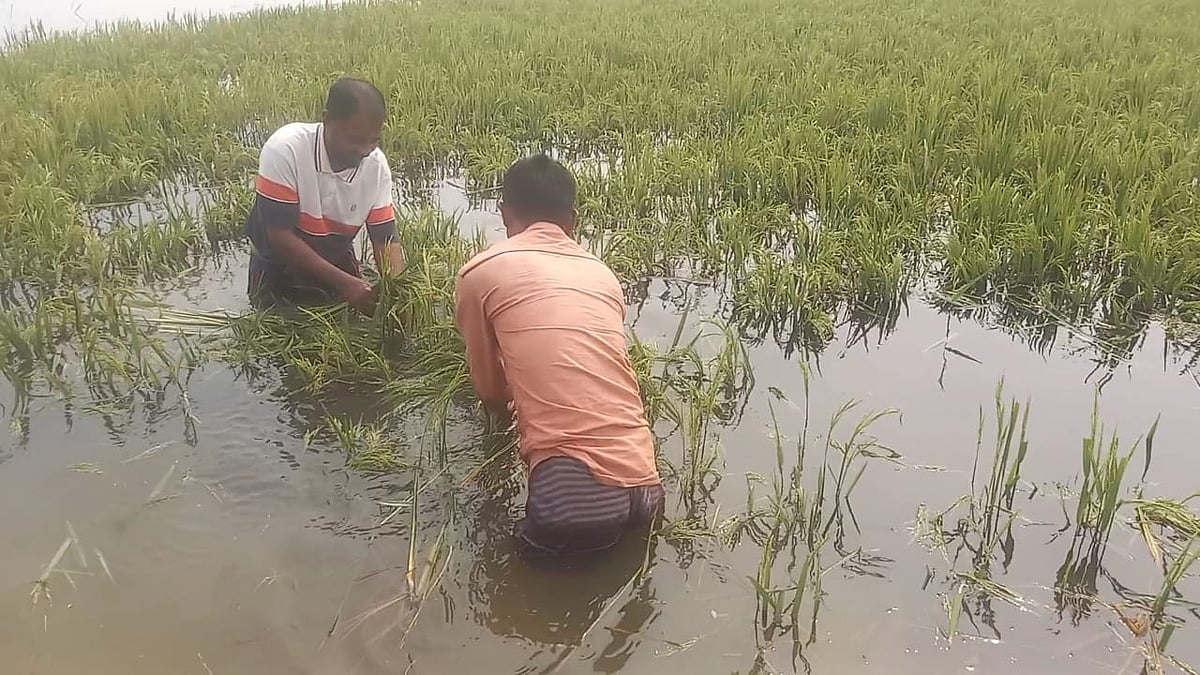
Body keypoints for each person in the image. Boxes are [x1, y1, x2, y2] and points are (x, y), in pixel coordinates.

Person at [453, 154, 665, 563]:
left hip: (576, 500)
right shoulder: (602, 274)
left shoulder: (480, 272)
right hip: (646, 486)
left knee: (513, 603)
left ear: (503, 213)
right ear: (572, 221)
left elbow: (489, 389)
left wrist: (500, 434)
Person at [244, 77, 405, 315]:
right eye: (355, 139)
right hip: (277, 265)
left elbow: (385, 238)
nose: (364, 150)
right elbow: (279, 237)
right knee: (275, 330)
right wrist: (347, 284)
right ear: (327, 119)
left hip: (335, 258)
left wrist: (399, 291)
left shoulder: (376, 166)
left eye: (373, 140)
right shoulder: (285, 149)